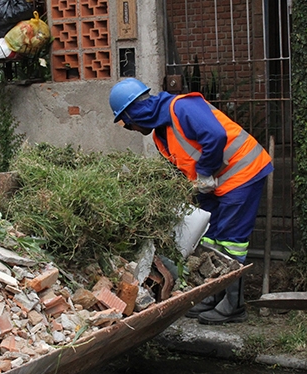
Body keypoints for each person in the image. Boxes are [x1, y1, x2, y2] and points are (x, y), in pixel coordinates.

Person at [109, 78, 273, 324]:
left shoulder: (182, 108)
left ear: (135, 113)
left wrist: (205, 172)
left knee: (230, 241)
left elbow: (215, 136)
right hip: (215, 185)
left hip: (242, 173)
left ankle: (234, 305)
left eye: (126, 123)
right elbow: (184, 168)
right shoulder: (160, 136)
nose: (130, 129)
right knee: (209, 237)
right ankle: (211, 294)